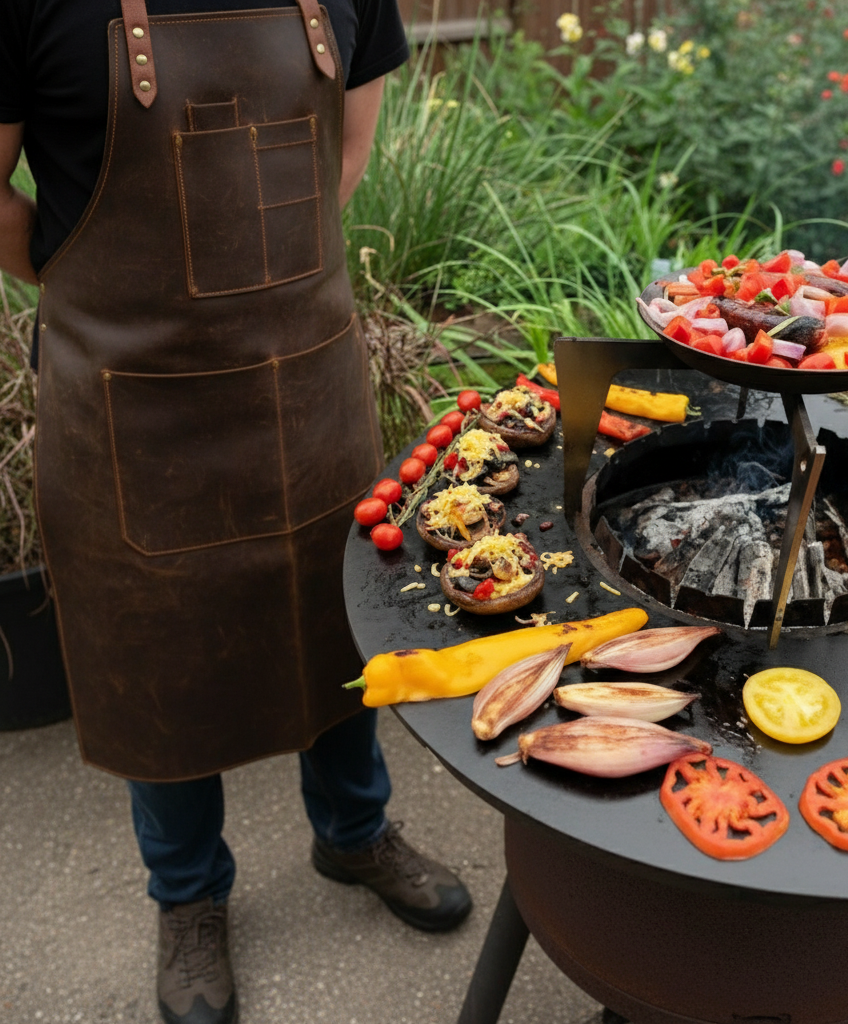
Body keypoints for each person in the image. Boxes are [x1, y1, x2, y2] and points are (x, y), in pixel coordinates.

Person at [0, 3, 472, 1023]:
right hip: (128, 396)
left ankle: (354, 834)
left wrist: (262, 274)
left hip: (300, 372)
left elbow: (346, 149)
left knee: (330, 615)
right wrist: (89, 287)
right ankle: (187, 896)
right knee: (155, 650)